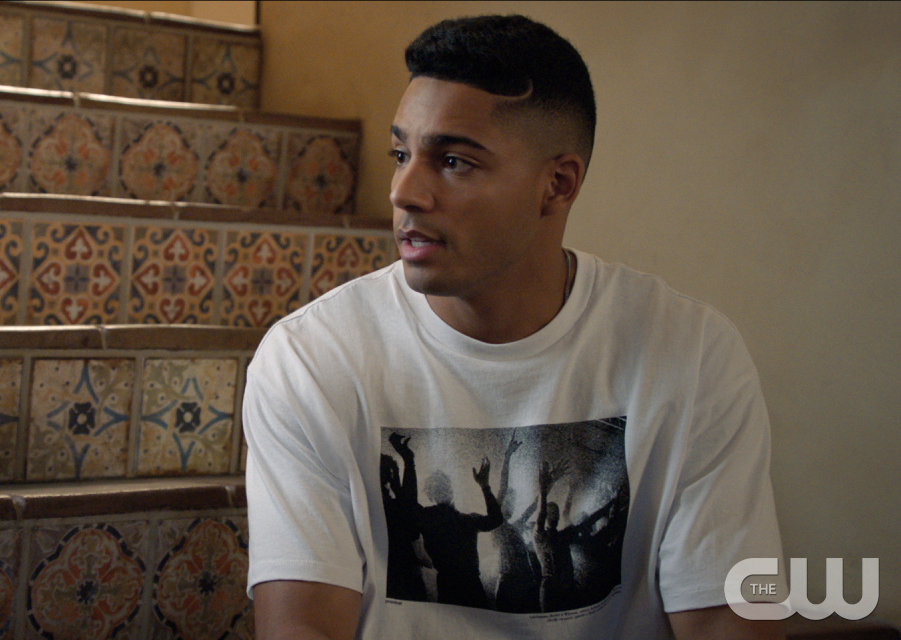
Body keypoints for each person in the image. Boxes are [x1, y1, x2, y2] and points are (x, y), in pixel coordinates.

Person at [243, 14, 784, 639]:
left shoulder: (693, 354)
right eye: (401, 155)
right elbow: (302, 626)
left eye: (453, 161)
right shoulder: (312, 359)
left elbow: (731, 619)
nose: (404, 192)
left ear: (557, 184)